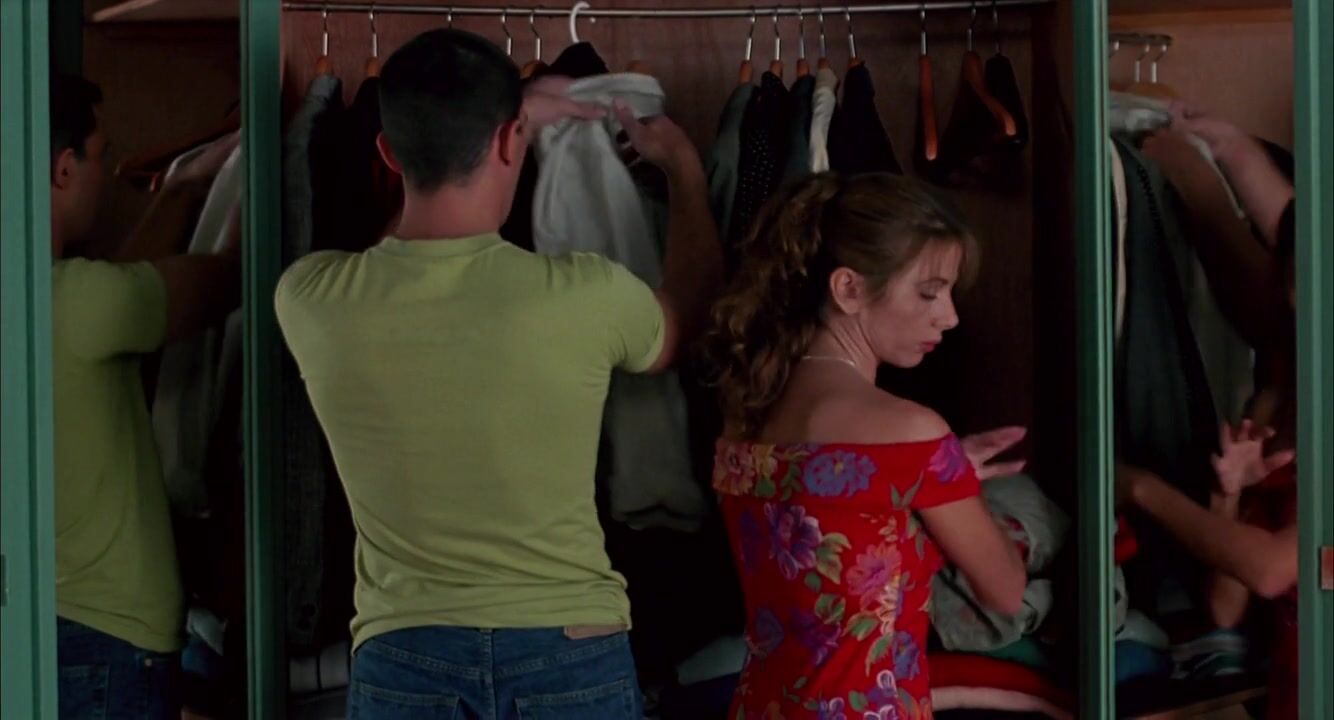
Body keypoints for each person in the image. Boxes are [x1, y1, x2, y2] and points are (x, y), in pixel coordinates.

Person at [274, 29, 722, 719]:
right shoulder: (585, 294)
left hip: (405, 652)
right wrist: (685, 171)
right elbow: (685, 317)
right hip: (569, 644)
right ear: (511, 142)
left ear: (388, 154)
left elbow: (393, 251)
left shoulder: (311, 298)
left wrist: (510, 122)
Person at [701, 172, 1027, 719]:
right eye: (929, 292)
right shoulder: (911, 432)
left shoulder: (745, 417)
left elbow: (836, 513)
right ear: (848, 289)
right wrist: (958, 485)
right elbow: (1006, 591)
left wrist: (941, 477)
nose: (949, 316)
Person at [49, 73, 242, 719]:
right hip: (104, 643)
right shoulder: (78, 302)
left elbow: (122, 289)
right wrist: (257, 185)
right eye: (99, 156)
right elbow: (220, 281)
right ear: (64, 168)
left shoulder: (50, 298)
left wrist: (184, 188)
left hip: (67, 635)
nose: (106, 176)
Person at [1121, 108, 1302, 720]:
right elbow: (1228, 607)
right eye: (1296, 280)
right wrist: (1229, 496)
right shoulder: (1279, 398)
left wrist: (1140, 488)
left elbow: (1272, 570)